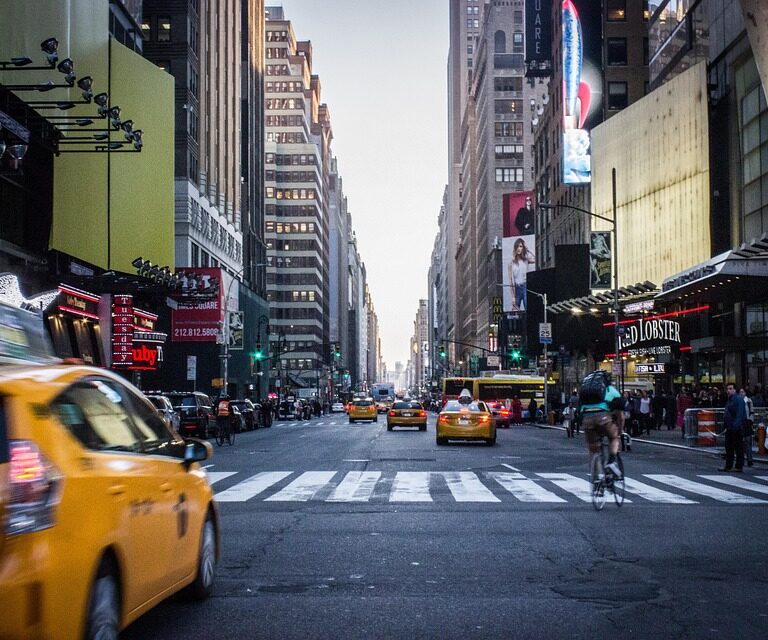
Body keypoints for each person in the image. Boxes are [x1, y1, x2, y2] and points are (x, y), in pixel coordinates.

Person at [579, 371, 622, 478]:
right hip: (603, 417)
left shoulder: (586, 393)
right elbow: (620, 416)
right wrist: (619, 431)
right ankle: (611, 462)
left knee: (593, 449)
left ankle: (596, 478)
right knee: (613, 437)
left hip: (587, 418)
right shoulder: (611, 391)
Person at [719, 383, 745, 472]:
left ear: (735, 390)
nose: (728, 391)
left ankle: (738, 466)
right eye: (728, 389)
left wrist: (736, 426)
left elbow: (740, 414)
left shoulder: (738, 399)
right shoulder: (729, 400)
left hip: (736, 427)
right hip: (729, 427)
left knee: (738, 447)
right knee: (729, 447)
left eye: (730, 389)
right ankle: (728, 465)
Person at [507, 238, 535, 311]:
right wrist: (513, 296)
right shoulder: (511, 263)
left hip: (525, 286)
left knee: (528, 309)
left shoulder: (526, 260)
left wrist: (528, 249)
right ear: (515, 248)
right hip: (517, 288)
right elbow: (510, 281)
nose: (519, 248)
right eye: (517, 246)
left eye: (521, 246)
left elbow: (536, 258)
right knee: (516, 312)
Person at [741, 388, 754, 468]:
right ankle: (741, 460)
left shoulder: (749, 401)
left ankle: (750, 460)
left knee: (748, 442)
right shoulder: (739, 401)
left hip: (747, 423)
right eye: (740, 392)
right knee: (741, 443)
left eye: (743, 392)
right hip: (741, 423)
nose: (741, 393)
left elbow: (752, 411)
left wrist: (750, 421)